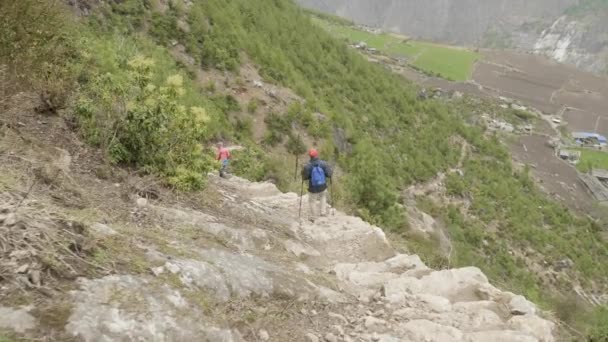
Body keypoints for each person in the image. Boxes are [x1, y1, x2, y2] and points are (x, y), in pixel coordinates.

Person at [301, 148, 332, 221]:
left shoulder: (307, 166)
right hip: (323, 186)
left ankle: (313, 217)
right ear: (317, 155)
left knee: (312, 201)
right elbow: (329, 174)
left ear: (310, 156)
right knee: (323, 197)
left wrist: (303, 173)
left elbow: (305, 177)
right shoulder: (323, 163)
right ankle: (323, 213)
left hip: (313, 187)